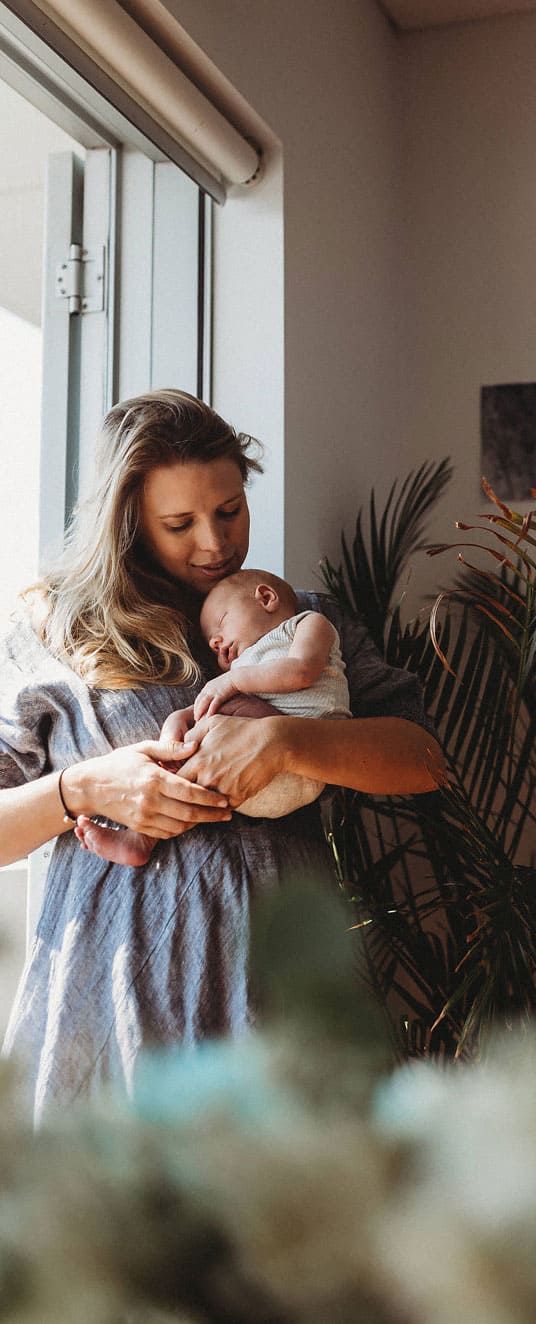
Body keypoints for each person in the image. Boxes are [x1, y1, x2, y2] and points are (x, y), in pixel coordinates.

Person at [0, 389, 443, 1121]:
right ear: (129, 522)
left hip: (283, 984)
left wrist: (288, 739)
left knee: (293, 1223)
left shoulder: (300, 620)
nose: (214, 542)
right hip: (113, 997)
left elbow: (424, 759)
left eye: (230, 509)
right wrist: (82, 788)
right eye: (179, 523)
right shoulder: (57, 630)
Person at [75, 568, 352, 867]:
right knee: (198, 756)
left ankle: (144, 830)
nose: (215, 643)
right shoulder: (244, 670)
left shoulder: (308, 624)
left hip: (310, 754)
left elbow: (302, 671)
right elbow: (226, 709)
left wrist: (232, 682)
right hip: (249, 782)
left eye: (221, 624)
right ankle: (143, 836)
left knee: (221, 722)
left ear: (266, 597)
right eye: (212, 643)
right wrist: (181, 719)